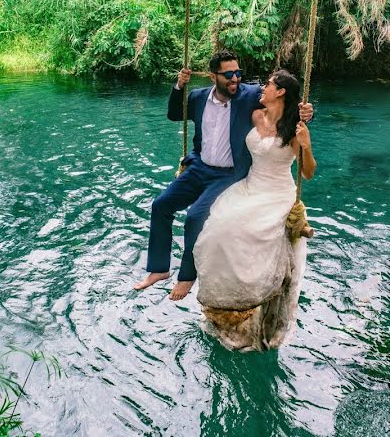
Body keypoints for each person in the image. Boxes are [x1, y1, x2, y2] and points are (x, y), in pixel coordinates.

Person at [133, 51, 313, 300]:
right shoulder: (197, 97)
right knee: (161, 205)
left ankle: (186, 276)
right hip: (199, 167)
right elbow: (175, 114)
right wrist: (179, 86)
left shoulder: (249, 96)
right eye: (229, 75)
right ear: (213, 76)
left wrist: (309, 114)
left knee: (195, 216)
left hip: (227, 174)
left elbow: (288, 106)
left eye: (238, 73)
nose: (235, 79)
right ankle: (159, 269)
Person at [193, 69, 316, 351]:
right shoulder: (256, 114)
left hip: (277, 192)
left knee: (251, 231)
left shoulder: (295, 128)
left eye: (269, 85)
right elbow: (227, 107)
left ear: (281, 92)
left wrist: (306, 146)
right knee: (217, 228)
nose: (263, 87)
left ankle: (253, 293)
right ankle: (224, 299)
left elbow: (307, 173)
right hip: (251, 186)